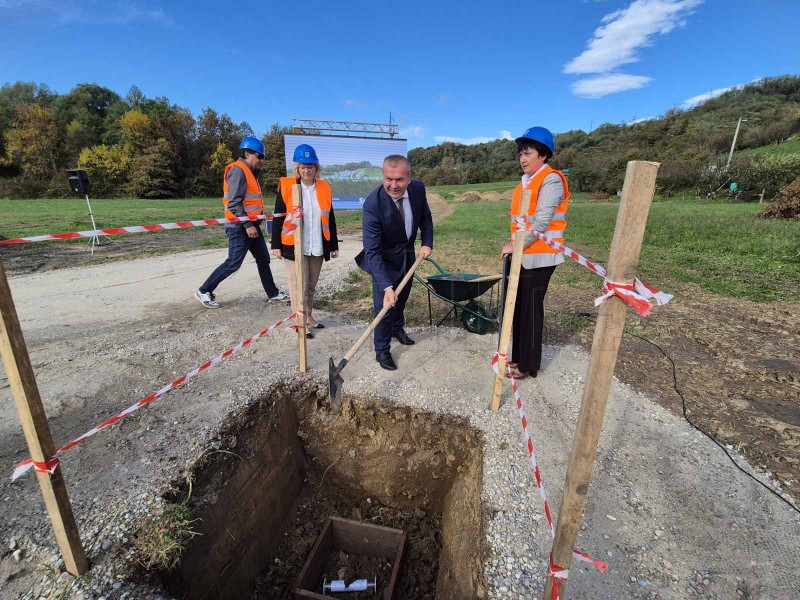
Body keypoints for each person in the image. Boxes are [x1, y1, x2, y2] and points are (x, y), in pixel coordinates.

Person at [500, 126, 570, 379]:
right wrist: (513, 248)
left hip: (539, 258)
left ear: (543, 155)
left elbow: (540, 222)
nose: (522, 158)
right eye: (520, 153)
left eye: (528, 153)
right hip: (522, 255)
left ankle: (528, 365)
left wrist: (514, 246)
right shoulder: (525, 182)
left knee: (530, 311)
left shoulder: (551, 180)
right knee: (517, 308)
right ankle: (517, 357)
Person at [355, 155, 433, 371]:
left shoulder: (418, 189)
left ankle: (397, 328)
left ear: (409, 177)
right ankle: (382, 350)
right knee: (384, 306)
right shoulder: (373, 204)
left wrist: (426, 243)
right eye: (388, 179)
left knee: (403, 297)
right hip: (383, 260)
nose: (393, 185)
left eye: (399, 179)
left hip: (408, 255)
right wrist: (386, 286)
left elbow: (425, 217)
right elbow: (372, 251)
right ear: (383, 176)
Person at [194, 136, 289, 308]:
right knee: (233, 263)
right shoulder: (238, 171)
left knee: (263, 259)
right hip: (240, 226)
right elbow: (234, 202)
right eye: (259, 156)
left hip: (251, 226)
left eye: (263, 157)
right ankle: (204, 290)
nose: (262, 160)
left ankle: (273, 293)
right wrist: (247, 225)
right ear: (247, 153)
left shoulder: (250, 172)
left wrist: (252, 224)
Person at [272, 144, 339, 339]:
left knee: (310, 286)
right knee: (297, 286)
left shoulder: (324, 187)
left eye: (311, 166)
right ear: (297, 169)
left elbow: (330, 216)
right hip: (293, 246)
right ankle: (299, 322)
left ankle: (308, 316)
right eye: (303, 166)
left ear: (316, 168)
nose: (307, 170)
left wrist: (333, 245)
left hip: (317, 244)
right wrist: (275, 244)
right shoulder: (288, 187)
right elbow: (278, 217)